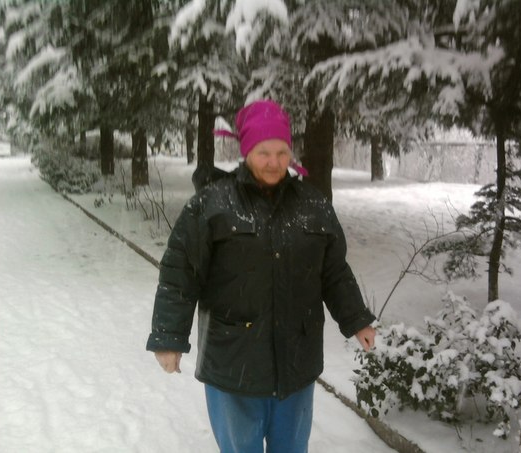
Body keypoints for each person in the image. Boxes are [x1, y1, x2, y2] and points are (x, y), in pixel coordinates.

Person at [146, 99, 376, 453]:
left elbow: (333, 270)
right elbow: (181, 272)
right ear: (246, 151)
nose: (274, 162)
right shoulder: (212, 204)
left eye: (282, 153)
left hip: (297, 361)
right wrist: (168, 337)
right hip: (233, 362)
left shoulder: (312, 204)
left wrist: (356, 319)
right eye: (264, 152)